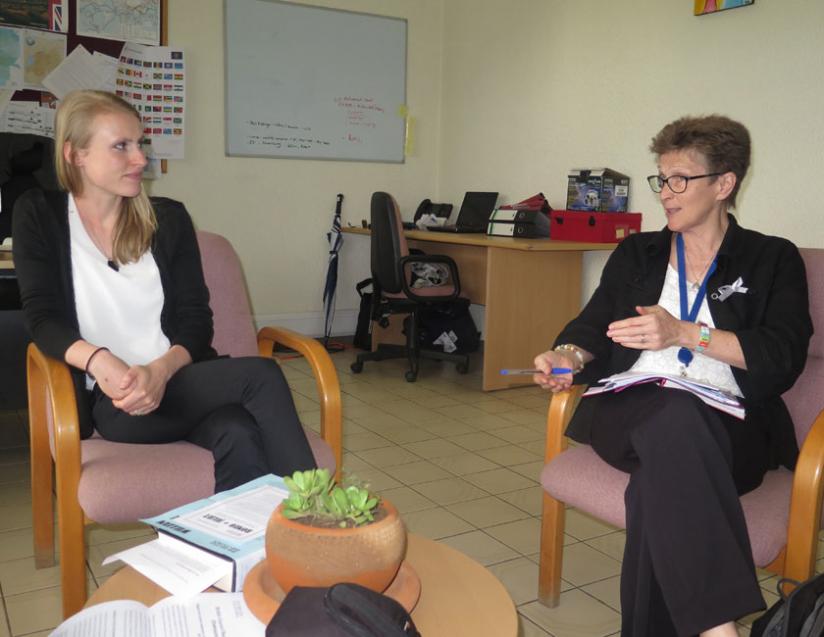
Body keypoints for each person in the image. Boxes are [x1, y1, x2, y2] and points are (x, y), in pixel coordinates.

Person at [533, 115, 812, 637]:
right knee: (673, 416)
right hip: (630, 410)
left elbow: (781, 355)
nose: (665, 192)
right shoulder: (638, 253)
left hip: (733, 426)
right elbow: (593, 326)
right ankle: (718, 629)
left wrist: (684, 333)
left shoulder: (772, 258)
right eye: (661, 179)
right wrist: (567, 356)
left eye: (680, 179)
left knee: (658, 487)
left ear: (724, 184)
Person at [13, 90, 317, 492]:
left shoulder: (168, 219)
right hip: (117, 402)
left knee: (238, 432)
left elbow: (196, 321)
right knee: (262, 375)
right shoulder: (39, 214)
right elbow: (43, 319)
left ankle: (237, 533)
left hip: (181, 379)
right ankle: (318, 515)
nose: (140, 159)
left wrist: (160, 371)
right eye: (121, 146)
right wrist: (102, 363)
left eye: (140, 144)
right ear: (75, 154)